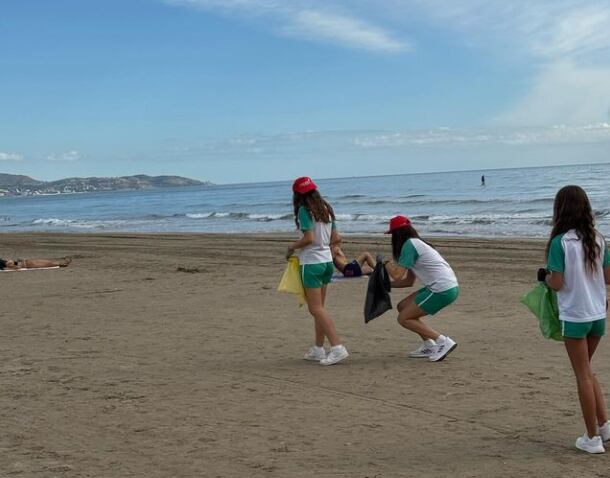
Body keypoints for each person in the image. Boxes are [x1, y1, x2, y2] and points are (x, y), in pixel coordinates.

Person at [542, 185, 610, 454]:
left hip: (575, 315)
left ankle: (591, 438)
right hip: (597, 315)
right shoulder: (599, 238)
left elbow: (557, 283)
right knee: (588, 370)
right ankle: (604, 426)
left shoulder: (561, 242)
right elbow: (607, 277)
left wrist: (545, 278)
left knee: (582, 374)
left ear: (560, 210)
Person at [286, 176, 349, 366]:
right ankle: (318, 349)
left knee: (315, 308)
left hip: (312, 263)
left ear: (297, 194)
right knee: (319, 308)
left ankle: (337, 347)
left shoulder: (305, 210)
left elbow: (309, 238)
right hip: (327, 262)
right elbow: (337, 237)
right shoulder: (326, 209)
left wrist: (291, 247)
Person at [383, 215, 459, 362]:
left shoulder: (409, 245)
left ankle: (443, 341)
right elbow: (407, 282)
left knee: (403, 318)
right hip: (445, 287)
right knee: (403, 306)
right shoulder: (416, 244)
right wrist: (386, 285)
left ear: (397, 234)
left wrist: (385, 264)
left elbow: (397, 275)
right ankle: (429, 345)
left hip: (441, 290)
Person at [0, 256, 71, 270]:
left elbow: (12, 263)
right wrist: (12, 263)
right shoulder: (2, 265)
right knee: (46, 264)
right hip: (26, 265)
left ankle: (62, 263)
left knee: (45, 262)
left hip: (25, 262)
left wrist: (15, 261)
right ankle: (62, 264)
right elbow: (17, 267)